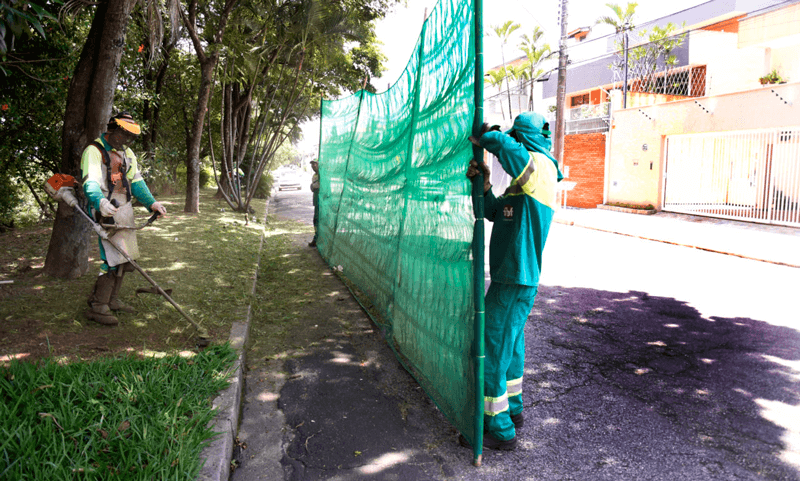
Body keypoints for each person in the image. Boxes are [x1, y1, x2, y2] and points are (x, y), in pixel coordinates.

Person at [464, 112, 563, 450]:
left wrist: (487, 136)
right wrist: (487, 184)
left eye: (516, 139)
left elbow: (506, 147)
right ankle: (514, 410)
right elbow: (496, 213)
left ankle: (500, 429)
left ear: (524, 139)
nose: (514, 148)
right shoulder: (525, 184)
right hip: (516, 278)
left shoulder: (540, 167)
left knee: (491, 348)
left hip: (514, 277)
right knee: (511, 348)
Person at [81, 112, 167, 326]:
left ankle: (112, 300)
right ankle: (98, 306)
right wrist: (99, 202)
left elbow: (136, 182)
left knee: (126, 258)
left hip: (125, 207)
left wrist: (152, 203)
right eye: (125, 136)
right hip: (105, 208)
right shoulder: (94, 151)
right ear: (113, 131)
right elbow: (90, 181)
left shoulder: (127, 153)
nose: (128, 141)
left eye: (131, 137)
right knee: (111, 258)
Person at [309, 160, 320, 247]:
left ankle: (317, 239)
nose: (313, 166)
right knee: (316, 220)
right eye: (312, 165)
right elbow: (313, 187)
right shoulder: (314, 176)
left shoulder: (322, 175)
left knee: (319, 220)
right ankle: (316, 238)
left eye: (315, 164)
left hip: (322, 201)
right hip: (316, 201)